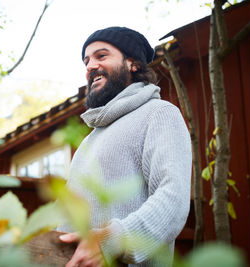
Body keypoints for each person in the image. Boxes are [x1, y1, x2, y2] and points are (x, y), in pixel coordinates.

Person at [58, 26, 192, 267]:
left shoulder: (159, 114)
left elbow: (173, 199)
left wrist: (111, 241)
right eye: (86, 60)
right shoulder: (87, 143)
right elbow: (66, 218)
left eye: (101, 56)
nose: (89, 66)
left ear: (134, 64)